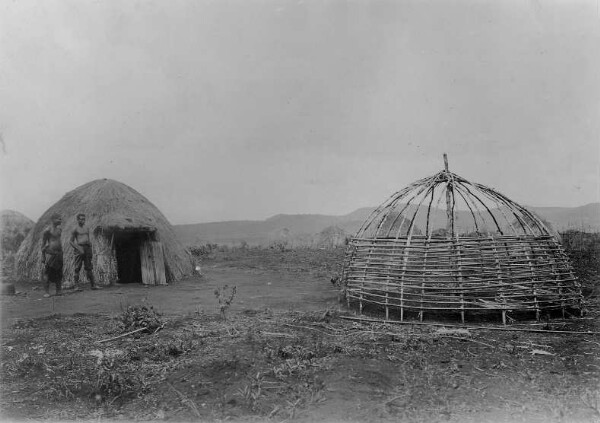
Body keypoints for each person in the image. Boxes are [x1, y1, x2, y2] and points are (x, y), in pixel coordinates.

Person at [70, 213, 101, 290]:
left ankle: (93, 285)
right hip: (79, 248)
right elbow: (71, 241)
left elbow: (88, 238)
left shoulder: (86, 228)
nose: (82, 220)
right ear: (77, 220)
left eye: (83, 219)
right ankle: (76, 286)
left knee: (89, 267)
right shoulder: (75, 229)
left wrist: (90, 246)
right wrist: (78, 248)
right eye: (80, 219)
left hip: (87, 248)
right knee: (77, 267)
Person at [41, 213, 63, 297]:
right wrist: (43, 256)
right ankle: (47, 292)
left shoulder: (59, 229)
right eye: (59, 219)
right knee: (47, 272)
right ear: (53, 220)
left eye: (61, 219)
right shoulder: (47, 231)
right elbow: (43, 244)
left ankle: (58, 291)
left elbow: (58, 240)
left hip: (59, 254)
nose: (60, 220)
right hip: (51, 254)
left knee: (59, 272)